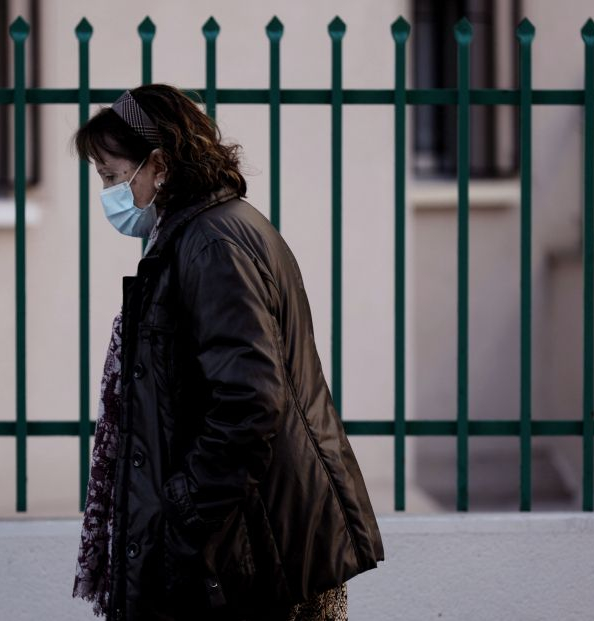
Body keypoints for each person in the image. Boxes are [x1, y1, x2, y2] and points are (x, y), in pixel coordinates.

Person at [72, 85, 383, 621]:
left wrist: (183, 509)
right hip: (250, 537)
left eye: (110, 174)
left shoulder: (213, 244)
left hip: (256, 550)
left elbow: (248, 402)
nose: (106, 192)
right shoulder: (203, 232)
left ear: (160, 164)